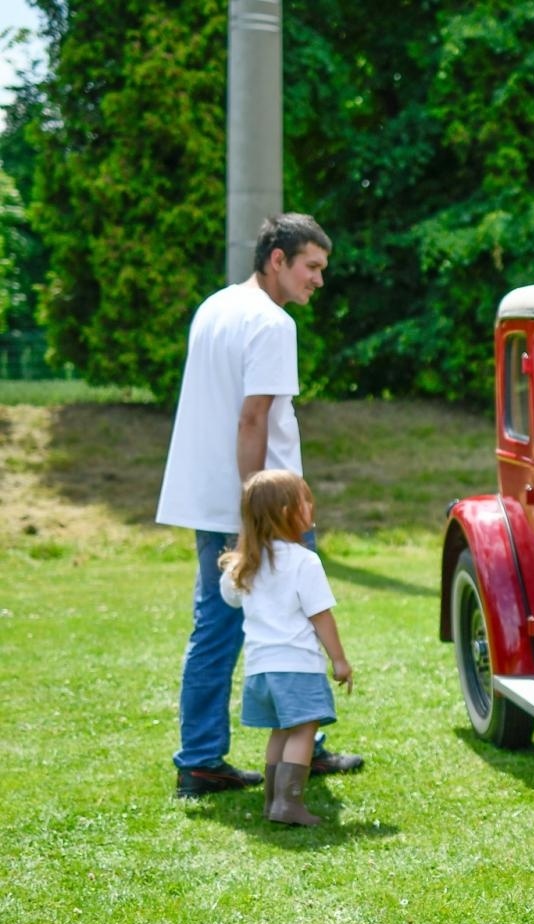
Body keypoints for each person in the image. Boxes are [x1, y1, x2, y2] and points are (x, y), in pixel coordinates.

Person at [157, 213, 364, 799]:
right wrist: (257, 508)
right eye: (312, 267)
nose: (318, 279)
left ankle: (201, 760)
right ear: (278, 259)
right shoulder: (272, 323)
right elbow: (253, 419)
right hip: (265, 506)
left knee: (214, 628)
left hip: (209, 498)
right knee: (297, 621)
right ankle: (303, 748)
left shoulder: (215, 307)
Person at [220, 470, 353, 826]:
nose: (312, 505)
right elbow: (321, 616)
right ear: (285, 512)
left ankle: (272, 802)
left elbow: (229, 598)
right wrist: (339, 660)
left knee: (280, 730)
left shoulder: (245, 565)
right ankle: (289, 803)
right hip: (297, 666)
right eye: (304, 500)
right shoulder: (303, 561)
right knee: (303, 730)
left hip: (260, 668)